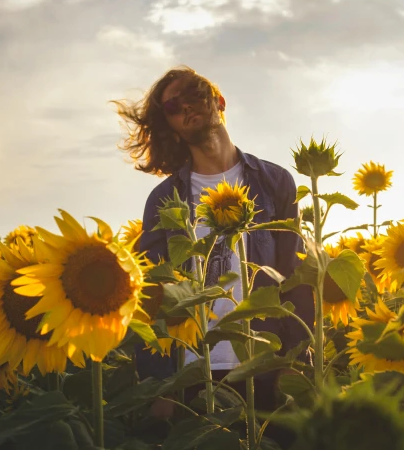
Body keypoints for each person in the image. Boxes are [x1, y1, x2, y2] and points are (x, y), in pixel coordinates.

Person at [116, 66, 314, 421]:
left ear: (219, 101)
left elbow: (295, 276)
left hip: (264, 359)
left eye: (193, 94)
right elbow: (152, 295)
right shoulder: (165, 199)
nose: (186, 107)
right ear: (172, 125)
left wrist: (297, 359)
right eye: (173, 107)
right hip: (195, 367)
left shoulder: (274, 182)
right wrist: (159, 382)